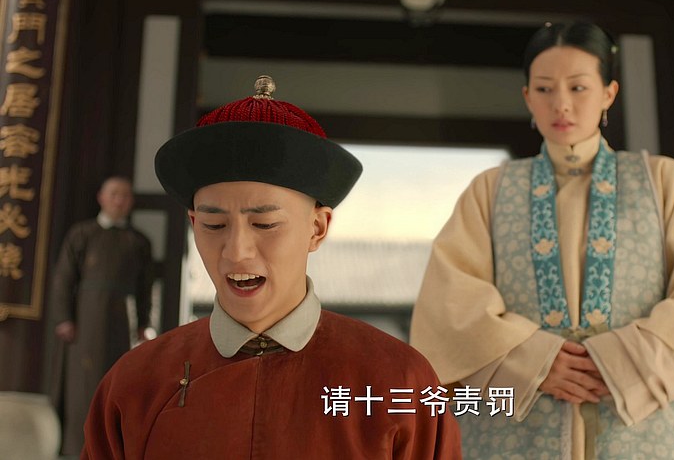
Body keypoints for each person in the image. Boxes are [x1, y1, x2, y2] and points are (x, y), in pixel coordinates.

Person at [410, 21, 674, 459]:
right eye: (544, 89)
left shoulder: (662, 182)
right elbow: (451, 302)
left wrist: (620, 362)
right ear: (528, 97)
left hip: (645, 426)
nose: (561, 104)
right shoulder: (491, 190)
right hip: (516, 427)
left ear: (608, 93)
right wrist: (534, 362)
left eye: (578, 87)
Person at [81, 75, 462, 459]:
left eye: (264, 224)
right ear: (194, 224)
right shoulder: (135, 383)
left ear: (317, 228)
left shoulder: (400, 383)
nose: (236, 252)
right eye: (214, 225)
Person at [48, 176, 154, 456]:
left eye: (125, 195)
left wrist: (144, 323)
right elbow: (63, 279)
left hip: (124, 322)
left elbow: (145, 287)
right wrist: (64, 318)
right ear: (101, 198)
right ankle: (77, 449)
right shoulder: (82, 234)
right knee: (83, 386)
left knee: (120, 383)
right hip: (87, 320)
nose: (120, 200)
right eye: (114, 194)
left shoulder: (139, 241)